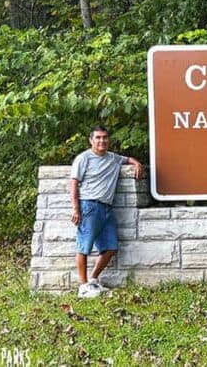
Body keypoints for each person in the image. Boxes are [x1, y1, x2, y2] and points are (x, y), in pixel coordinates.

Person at [69, 125, 143, 299]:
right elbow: (73, 183)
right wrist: (76, 208)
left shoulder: (113, 158)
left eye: (105, 137)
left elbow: (127, 159)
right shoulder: (84, 158)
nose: (102, 141)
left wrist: (136, 163)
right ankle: (83, 286)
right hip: (89, 206)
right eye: (98, 138)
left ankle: (93, 280)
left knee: (110, 247)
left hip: (106, 208)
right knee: (84, 247)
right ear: (91, 140)